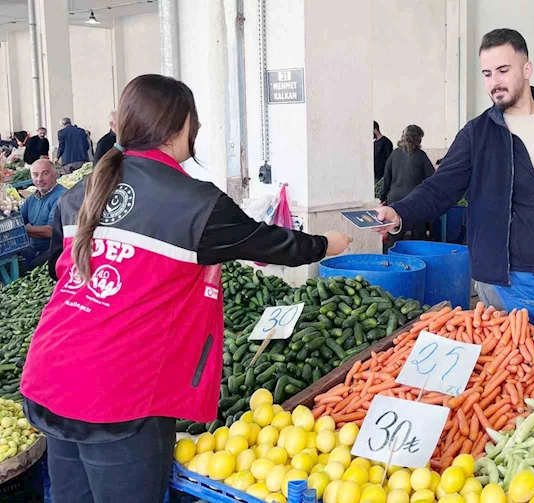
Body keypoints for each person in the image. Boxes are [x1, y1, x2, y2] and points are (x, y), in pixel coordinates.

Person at [20, 74, 352, 502]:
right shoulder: (196, 204)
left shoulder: (79, 194)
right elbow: (275, 244)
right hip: (117, 395)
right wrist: (329, 244)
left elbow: (58, 274)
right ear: (181, 128)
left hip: (50, 374)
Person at [374, 29, 534, 341]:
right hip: (514, 278)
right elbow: (441, 188)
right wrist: (398, 213)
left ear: (527, 69)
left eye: (503, 70)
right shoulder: (478, 134)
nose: (494, 82)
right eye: (487, 74)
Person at [380, 125, 434, 244]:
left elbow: (386, 178)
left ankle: (394, 258)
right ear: (418, 139)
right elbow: (432, 178)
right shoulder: (421, 156)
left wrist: (383, 197)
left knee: (394, 238)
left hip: (395, 200)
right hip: (415, 201)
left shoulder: (394, 154)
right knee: (417, 238)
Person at [19, 159, 67, 270]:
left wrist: (22, 230)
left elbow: (50, 231)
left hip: (54, 251)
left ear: (55, 174)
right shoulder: (31, 199)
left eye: (45, 173)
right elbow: (19, 220)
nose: (39, 179)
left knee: (31, 269)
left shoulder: (61, 196)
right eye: (35, 175)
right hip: (33, 249)